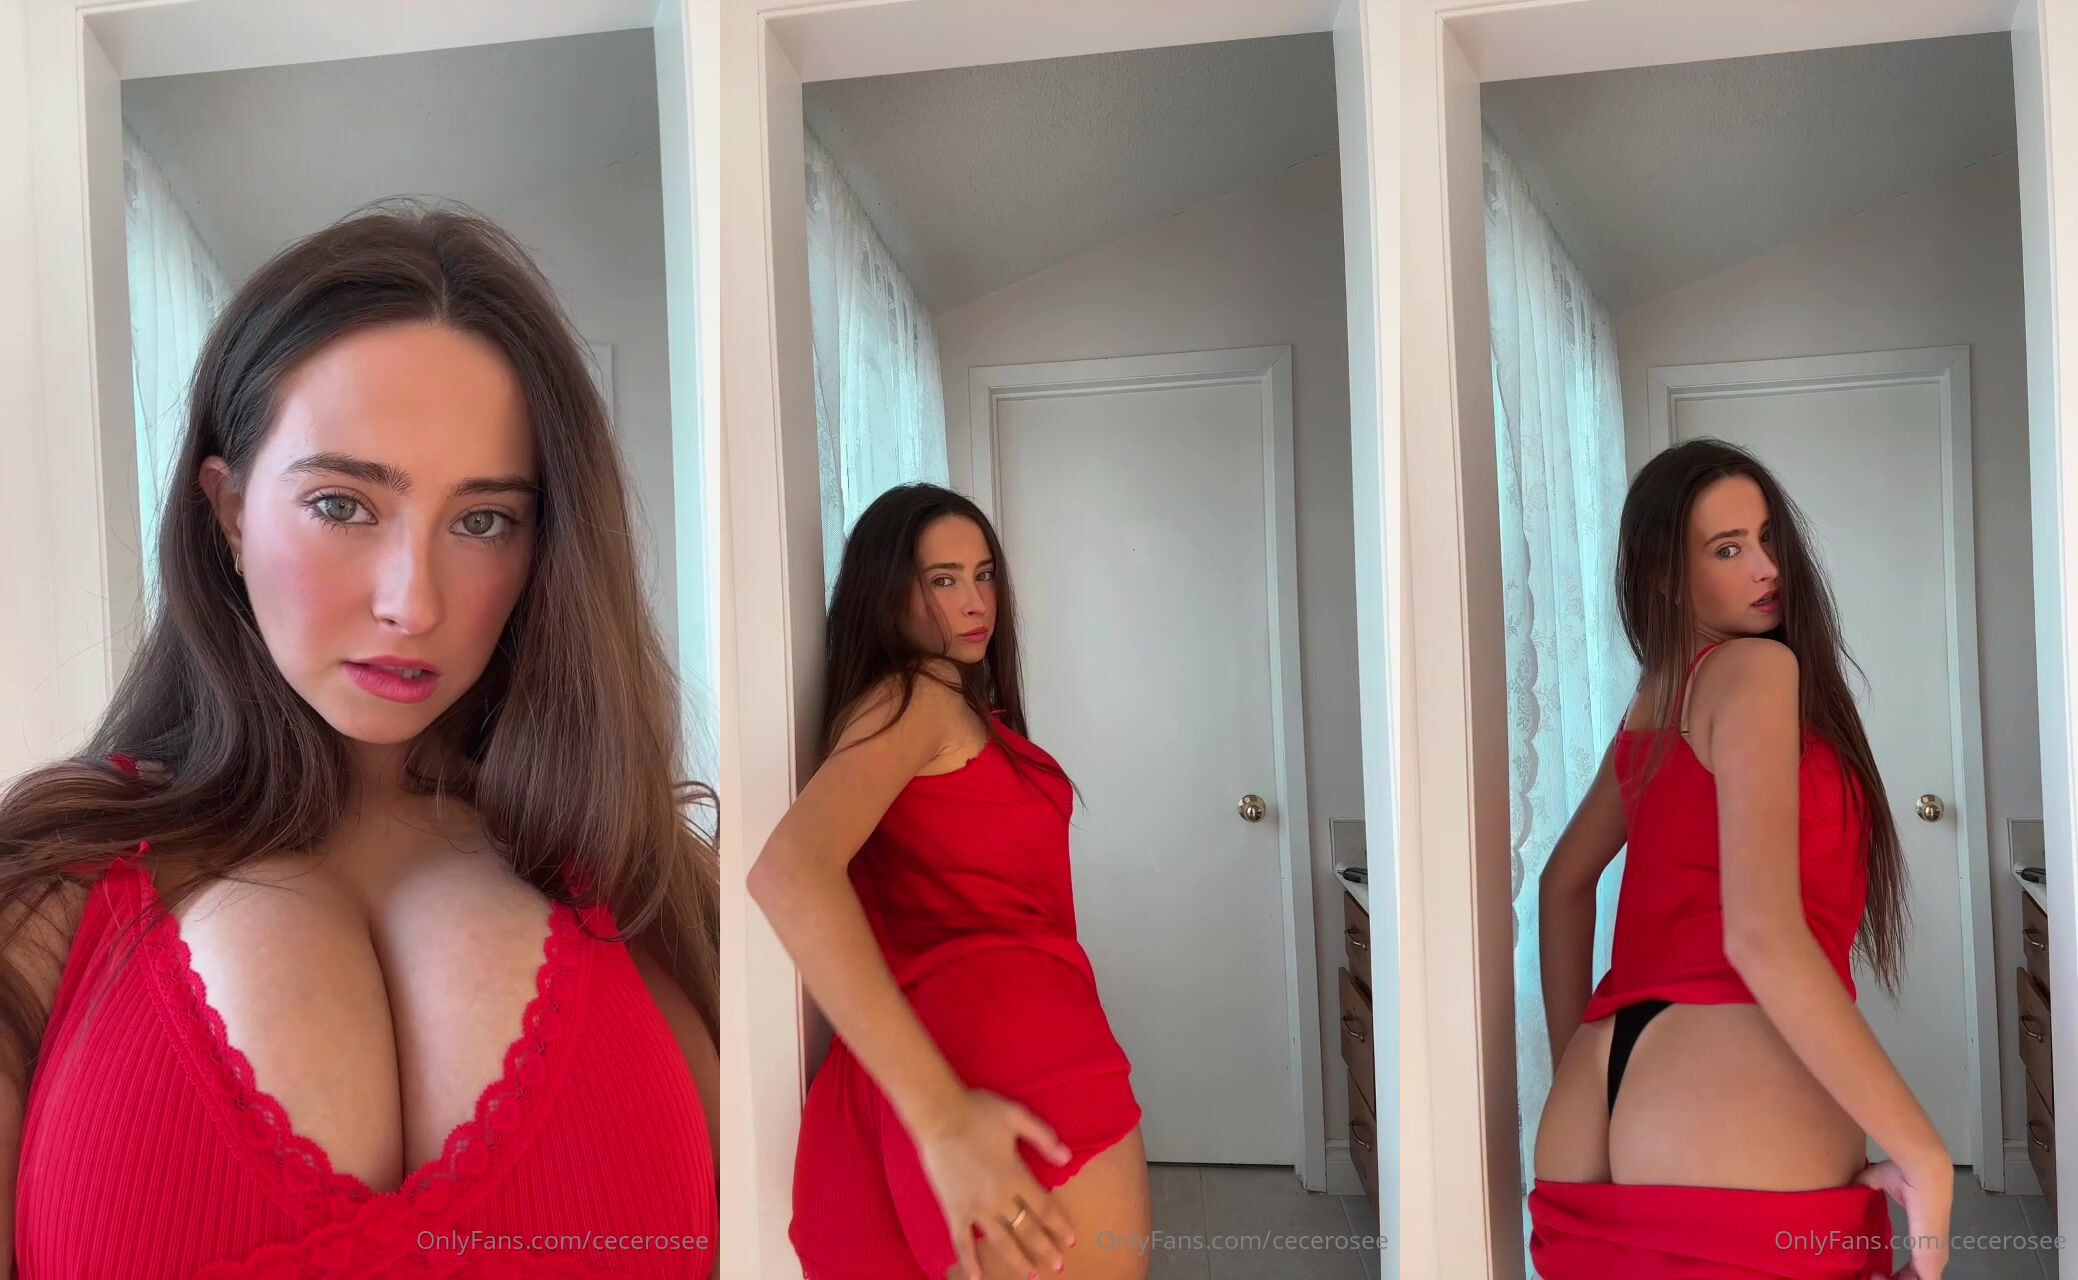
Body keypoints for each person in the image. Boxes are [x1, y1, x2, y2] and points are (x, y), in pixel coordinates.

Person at [1, 204, 719, 1277]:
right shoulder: (44, 894)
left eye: (482, 521)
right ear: (228, 509)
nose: (412, 602)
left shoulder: (654, 888)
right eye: (343, 504)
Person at [1528, 437, 1948, 1278]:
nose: (1766, 568)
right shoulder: (1757, 670)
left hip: (1597, 1091)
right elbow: (1760, 937)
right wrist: (1925, 1155)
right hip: (1732, 1085)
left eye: (1767, 539)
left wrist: (1587, 1066)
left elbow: (1561, 884)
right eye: (1728, 549)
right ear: (1665, 578)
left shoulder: (1658, 697)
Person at [750, 483, 1151, 1280]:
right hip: (1012, 1062)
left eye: (983, 574)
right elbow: (788, 871)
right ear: (885, 593)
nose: (975, 602)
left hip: (941, 1055)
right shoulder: (920, 694)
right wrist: (942, 1122)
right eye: (942, 580)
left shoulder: (942, 708)